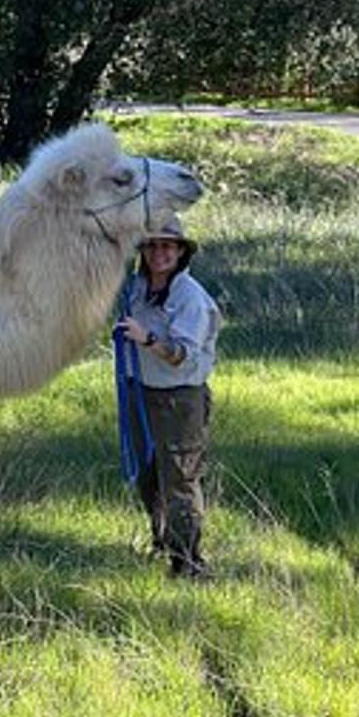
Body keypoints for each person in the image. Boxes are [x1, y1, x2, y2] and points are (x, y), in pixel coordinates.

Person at [115, 216, 222, 579]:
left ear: (180, 252)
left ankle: (189, 561)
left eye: (168, 246)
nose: (160, 253)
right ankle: (162, 539)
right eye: (152, 245)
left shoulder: (189, 297)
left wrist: (146, 339)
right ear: (142, 251)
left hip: (180, 398)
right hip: (141, 391)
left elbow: (180, 355)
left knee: (179, 477)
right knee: (147, 474)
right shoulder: (135, 288)